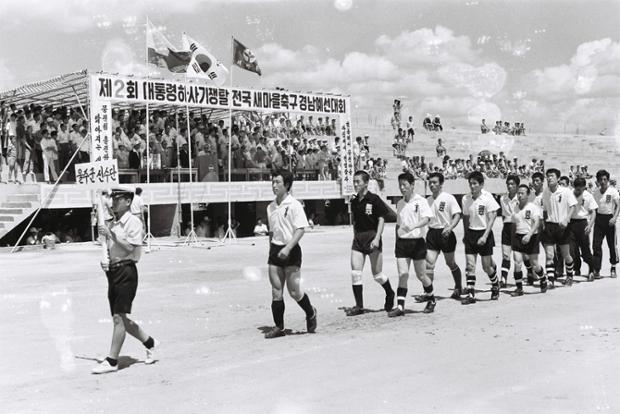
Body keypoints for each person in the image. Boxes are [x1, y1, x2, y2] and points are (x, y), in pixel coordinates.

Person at [92, 188, 158, 374]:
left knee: (118, 318)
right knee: (122, 319)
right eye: (112, 198)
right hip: (113, 271)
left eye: (118, 199)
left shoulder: (133, 222)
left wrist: (111, 234)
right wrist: (104, 257)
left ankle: (112, 361)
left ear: (128, 202)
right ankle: (150, 343)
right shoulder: (114, 223)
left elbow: (131, 247)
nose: (113, 201)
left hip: (126, 271)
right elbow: (111, 247)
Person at [264, 169, 317, 338]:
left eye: (278, 182)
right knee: (276, 291)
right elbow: (272, 232)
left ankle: (310, 312)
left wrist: (288, 248)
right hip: (275, 251)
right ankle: (279, 327)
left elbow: (300, 229)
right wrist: (272, 249)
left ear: (286, 185)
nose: (274, 185)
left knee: (294, 291)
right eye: (273, 182)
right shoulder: (270, 207)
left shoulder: (294, 205)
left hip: (291, 250)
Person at [347, 170, 395, 316]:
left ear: (366, 183)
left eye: (358, 182)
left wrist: (377, 238)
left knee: (377, 275)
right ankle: (359, 306)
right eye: (354, 181)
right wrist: (355, 236)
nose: (355, 184)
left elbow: (381, 219)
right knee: (355, 273)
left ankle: (390, 292)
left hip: (372, 236)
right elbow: (355, 222)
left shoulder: (374, 199)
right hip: (358, 239)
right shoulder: (354, 201)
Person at [388, 172, 434, 317]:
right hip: (402, 243)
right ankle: (400, 306)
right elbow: (398, 224)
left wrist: (414, 226)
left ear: (412, 185)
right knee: (403, 274)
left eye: (405, 185)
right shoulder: (400, 203)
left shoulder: (421, 201)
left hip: (417, 242)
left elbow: (427, 219)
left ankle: (431, 298)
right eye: (400, 185)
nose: (402, 188)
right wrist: (397, 238)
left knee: (421, 275)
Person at [461, 171, 501, 304]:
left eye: (475, 184)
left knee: (486, 267)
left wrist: (485, 236)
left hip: (485, 233)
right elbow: (466, 218)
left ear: (481, 184)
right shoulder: (466, 199)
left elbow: (492, 217)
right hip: (471, 234)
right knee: (470, 265)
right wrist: (465, 234)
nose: (472, 186)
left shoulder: (487, 197)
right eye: (470, 184)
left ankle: (495, 285)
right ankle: (471, 294)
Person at [425, 172, 463, 300]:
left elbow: (457, 214)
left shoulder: (449, 198)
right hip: (432, 234)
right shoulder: (428, 200)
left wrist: (450, 227)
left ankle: (458, 287)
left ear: (441, 184)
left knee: (450, 263)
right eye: (430, 182)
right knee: (429, 264)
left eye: (435, 182)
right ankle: (428, 293)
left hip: (446, 234)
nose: (432, 185)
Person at [541, 168, 577, 287]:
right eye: (548, 176)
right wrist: (545, 224)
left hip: (563, 226)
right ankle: (550, 280)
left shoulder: (566, 191)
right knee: (549, 255)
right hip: (550, 225)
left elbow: (573, 206)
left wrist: (567, 219)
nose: (549, 178)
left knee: (566, 254)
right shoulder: (545, 192)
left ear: (558, 179)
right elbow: (545, 209)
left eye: (551, 176)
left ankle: (570, 276)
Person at [510, 184, 548, 295]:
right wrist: (513, 239)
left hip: (532, 236)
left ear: (528, 195)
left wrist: (529, 235)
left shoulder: (532, 207)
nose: (520, 195)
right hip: (518, 237)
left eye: (522, 193)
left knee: (534, 264)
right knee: (517, 262)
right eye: (518, 193)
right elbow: (513, 223)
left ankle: (542, 278)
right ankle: (519, 288)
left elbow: (537, 222)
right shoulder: (515, 208)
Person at [591, 169, 619, 279]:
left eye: (605, 179)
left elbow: (618, 205)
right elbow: (593, 207)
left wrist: (615, 217)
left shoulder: (612, 191)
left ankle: (613, 267)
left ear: (607, 180)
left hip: (609, 219)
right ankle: (597, 269)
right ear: (597, 180)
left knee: (612, 245)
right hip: (599, 219)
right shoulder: (595, 192)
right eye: (600, 179)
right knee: (596, 245)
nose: (602, 181)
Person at [569, 177, 597, 281]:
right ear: (573, 187)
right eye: (577, 189)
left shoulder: (588, 196)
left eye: (581, 189)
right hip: (571, 223)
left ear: (584, 187)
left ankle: (591, 269)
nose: (578, 191)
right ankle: (574, 270)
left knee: (585, 250)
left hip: (582, 223)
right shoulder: (569, 194)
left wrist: (590, 225)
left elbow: (593, 211)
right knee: (572, 250)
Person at [499, 175, 520, 287]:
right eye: (508, 184)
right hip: (507, 228)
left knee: (521, 256)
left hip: (518, 228)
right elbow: (503, 215)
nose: (509, 186)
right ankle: (503, 279)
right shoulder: (503, 198)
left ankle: (531, 273)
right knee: (506, 255)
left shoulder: (521, 198)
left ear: (517, 186)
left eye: (512, 184)